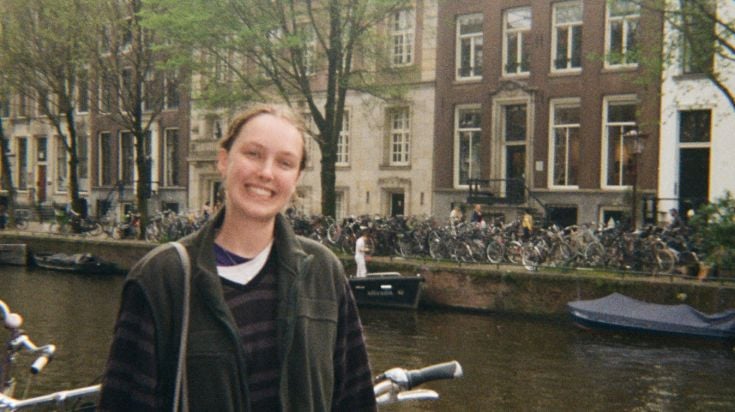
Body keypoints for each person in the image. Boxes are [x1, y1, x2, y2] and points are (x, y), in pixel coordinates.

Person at [99, 104, 377, 411]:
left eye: (284, 163)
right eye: (253, 154)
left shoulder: (323, 272)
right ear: (223, 160)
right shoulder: (161, 278)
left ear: (296, 178)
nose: (266, 172)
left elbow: (355, 398)